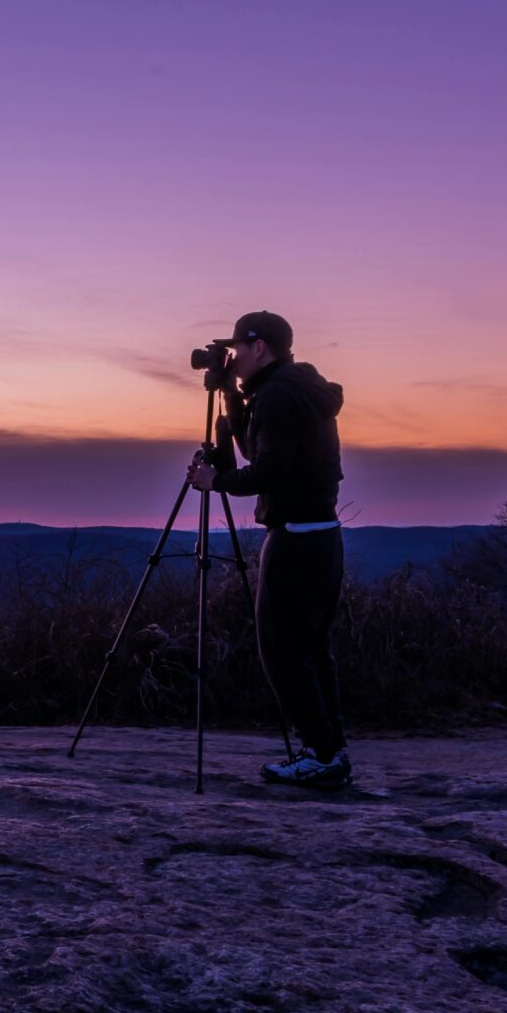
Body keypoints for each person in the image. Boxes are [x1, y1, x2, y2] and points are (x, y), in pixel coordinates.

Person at [186, 310, 351, 789]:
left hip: (297, 537)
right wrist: (234, 401)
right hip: (323, 535)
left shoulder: (278, 397)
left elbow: (266, 473)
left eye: (237, 349)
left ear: (260, 348)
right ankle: (329, 750)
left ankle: (320, 754)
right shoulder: (296, 389)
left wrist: (215, 480)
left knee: (281, 651)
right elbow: (261, 451)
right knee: (313, 650)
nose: (231, 358)